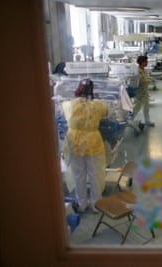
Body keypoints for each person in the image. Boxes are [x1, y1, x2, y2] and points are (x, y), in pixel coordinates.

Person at [62, 79, 108, 213]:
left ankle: (81, 204)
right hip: (92, 142)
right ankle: (96, 204)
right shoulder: (100, 106)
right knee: (95, 174)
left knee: (78, 174)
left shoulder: (67, 104)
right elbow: (107, 113)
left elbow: (62, 115)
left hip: (74, 142)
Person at [133, 55, 155, 127]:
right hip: (139, 92)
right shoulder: (138, 71)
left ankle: (147, 121)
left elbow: (146, 78)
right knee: (137, 107)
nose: (147, 63)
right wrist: (149, 81)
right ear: (142, 62)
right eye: (146, 62)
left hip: (145, 91)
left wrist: (149, 79)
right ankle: (130, 120)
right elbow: (141, 80)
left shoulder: (144, 70)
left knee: (146, 107)